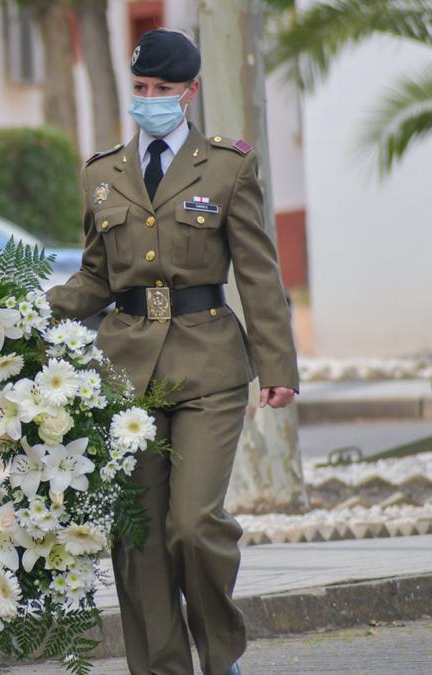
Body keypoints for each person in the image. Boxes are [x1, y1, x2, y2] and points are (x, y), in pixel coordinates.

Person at [46, 29, 299, 675]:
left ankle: (220, 656)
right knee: (138, 536)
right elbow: (96, 278)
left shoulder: (227, 164)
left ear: (191, 92)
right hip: (125, 371)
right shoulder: (102, 172)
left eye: (163, 90)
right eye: (141, 89)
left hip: (209, 362)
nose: (150, 100)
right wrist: (21, 309)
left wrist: (278, 367)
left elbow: (259, 273)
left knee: (193, 523)